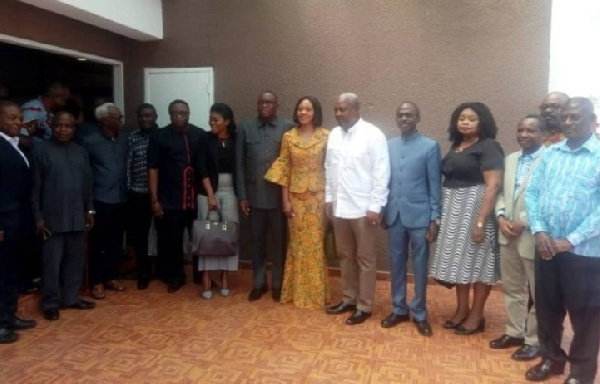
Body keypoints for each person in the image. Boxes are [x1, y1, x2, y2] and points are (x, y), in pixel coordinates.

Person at [525, 98, 600, 384]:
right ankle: (551, 360)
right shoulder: (551, 153)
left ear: (592, 121)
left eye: (575, 118)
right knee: (547, 309)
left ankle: (582, 373)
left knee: (586, 317)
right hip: (546, 248)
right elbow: (533, 194)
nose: (568, 122)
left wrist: (571, 240)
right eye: (565, 117)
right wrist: (540, 231)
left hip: (586, 252)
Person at [428, 102, 504, 335]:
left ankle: (476, 314)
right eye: (462, 118)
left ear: (482, 122)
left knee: (479, 265)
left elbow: (493, 185)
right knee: (461, 265)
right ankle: (461, 309)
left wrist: (480, 222)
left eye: (472, 118)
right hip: (454, 211)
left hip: (475, 211)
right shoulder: (456, 146)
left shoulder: (489, 146)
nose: (466, 122)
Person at [325, 93, 390, 325]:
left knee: (365, 259)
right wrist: (329, 199)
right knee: (344, 256)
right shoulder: (333, 135)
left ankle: (364, 305)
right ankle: (348, 299)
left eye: (342, 109)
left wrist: (376, 206)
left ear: (356, 110)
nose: (338, 114)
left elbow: (381, 173)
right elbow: (329, 168)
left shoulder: (373, 135)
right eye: (336, 109)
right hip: (340, 207)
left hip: (364, 209)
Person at [381, 102, 441, 336]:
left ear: (418, 118)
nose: (404, 118)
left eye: (409, 115)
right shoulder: (388, 145)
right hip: (394, 214)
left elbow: (434, 184)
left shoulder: (430, 147)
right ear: (396, 118)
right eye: (401, 115)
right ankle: (398, 308)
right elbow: (384, 180)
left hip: (420, 215)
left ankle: (420, 312)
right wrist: (384, 209)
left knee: (419, 265)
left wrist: (434, 217)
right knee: (396, 263)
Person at [489, 115, 545, 361]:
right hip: (507, 233)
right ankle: (514, 332)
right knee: (512, 288)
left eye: (531, 130)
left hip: (532, 235)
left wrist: (524, 220)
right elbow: (501, 192)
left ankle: (534, 340)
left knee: (537, 293)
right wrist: (500, 217)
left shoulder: (550, 159)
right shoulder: (510, 159)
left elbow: (546, 197)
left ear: (542, 133)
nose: (524, 134)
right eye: (521, 129)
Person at [265, 96, 330, 309]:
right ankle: (296, 292)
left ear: (315, 112)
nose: (303, 112)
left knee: (315, 245)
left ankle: (316, 294)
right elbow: (285, 168)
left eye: (308, 109)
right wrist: (285, 201)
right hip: (295, 199)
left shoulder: (326, 136)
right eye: (300, 108)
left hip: (318, 198)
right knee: (297, 245)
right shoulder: (288, 137)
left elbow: (332, 168)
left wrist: (330, 199)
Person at [31, 111, 96, 321]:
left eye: (68, 126)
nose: (63, 130)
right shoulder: (40, 150)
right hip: (51, 218)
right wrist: (38, 217)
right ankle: (50, 303)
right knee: (51, 263)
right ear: (52, 126)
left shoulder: (80, 151)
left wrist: (90, 210)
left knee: (75, 261)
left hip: (77, 215)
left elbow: (88, 184)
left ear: (74, 128)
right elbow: (33, 188)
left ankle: (71, 297)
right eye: (59, 125)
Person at [236, 92, 295, 301]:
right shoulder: (245, 127)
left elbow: (291, 164)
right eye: (261, 102)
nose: (264, 105)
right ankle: (259, 284)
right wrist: (242, 196)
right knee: (257, 242)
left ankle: (278, 285)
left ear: (277, 105)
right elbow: (239, 165)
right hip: (254, 198)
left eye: (269, 102)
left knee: (279, 244)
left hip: (279, 198)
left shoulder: (288, 127)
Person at [148, 99, 205, 293]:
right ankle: (176, 276)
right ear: (169, 114)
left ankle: (201, 276)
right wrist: (155, 200)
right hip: (170, 198)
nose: (179, 116)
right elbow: (153, 169)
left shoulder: (199, 134)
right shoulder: (159, 136)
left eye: (182, 112)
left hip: (196, 199)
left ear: (189, 113)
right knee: (172, 240)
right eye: (174, 113)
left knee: (200, 239)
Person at [80, 103, 128, 300]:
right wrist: (88, 206)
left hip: (122, 198)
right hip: (100, 200)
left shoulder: (124, 139)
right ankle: (96, 281)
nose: (121, 121)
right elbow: (84, 175)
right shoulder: (89, 142)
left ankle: (111, 276)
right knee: (97, 243)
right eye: (118, 117)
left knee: (116, 241)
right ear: (105, 120)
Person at [0, 101, 37, 343]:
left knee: (11, 272)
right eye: (11, 118)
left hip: (18, 221)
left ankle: (9, 316)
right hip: (4, 223)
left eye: (19, 118)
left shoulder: (14, 144)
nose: (17, 122)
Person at [196, 103, 239, 299]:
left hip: (231, 192)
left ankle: (224, 278)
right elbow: (202, 168)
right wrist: (211, 195)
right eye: (210, 119)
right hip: (209, 192)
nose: (211, 122)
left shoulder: (236, 139)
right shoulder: (204, 139)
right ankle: (206, 277)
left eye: (216, 120)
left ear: (227, 121)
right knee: (208, 235)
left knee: (227, 235)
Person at [127, 103, 158, 290]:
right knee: (140, 236)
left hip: (161, 194)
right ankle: (143, 272)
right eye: (141, 116)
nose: (144, 119)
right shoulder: (132, 138)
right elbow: (129, 164)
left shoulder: (162, 136)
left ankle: (163, 269)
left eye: (148, 116)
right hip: (138, 193)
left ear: (155, 116)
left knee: (163, 234)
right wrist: (130, 188)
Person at [20, 82, 69, 146]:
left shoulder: (49, 111)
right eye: (64, 99)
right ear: (56, 96)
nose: (65, 103)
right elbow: (21, 137)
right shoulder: (35, 110)